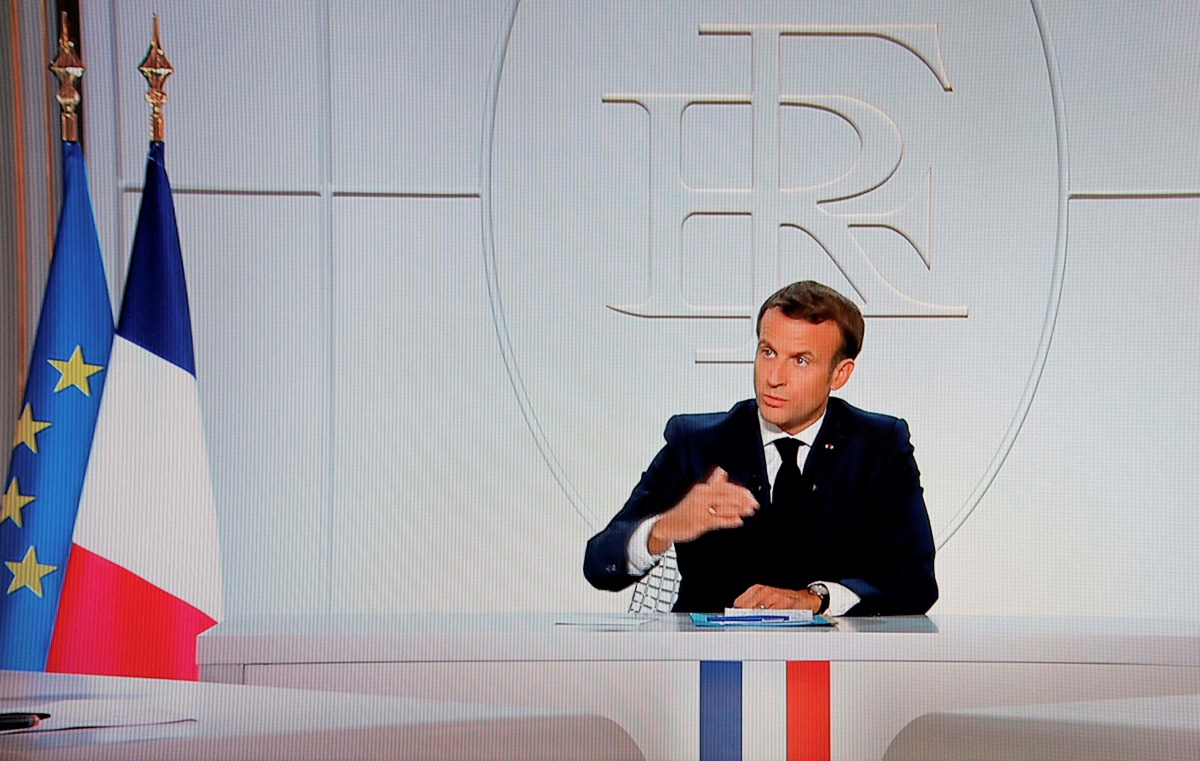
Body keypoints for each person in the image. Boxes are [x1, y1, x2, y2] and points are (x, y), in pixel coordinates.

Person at [583, 281, 937, 615]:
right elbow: (599, 563)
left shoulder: (879, 445)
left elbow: (916, 580)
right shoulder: (697, 442)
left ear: (839, 374)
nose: (773, 377)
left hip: (831, 665)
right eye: (768, 352)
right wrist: (666, 527)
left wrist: (817, 598)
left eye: (800, 360)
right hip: (713, 665)